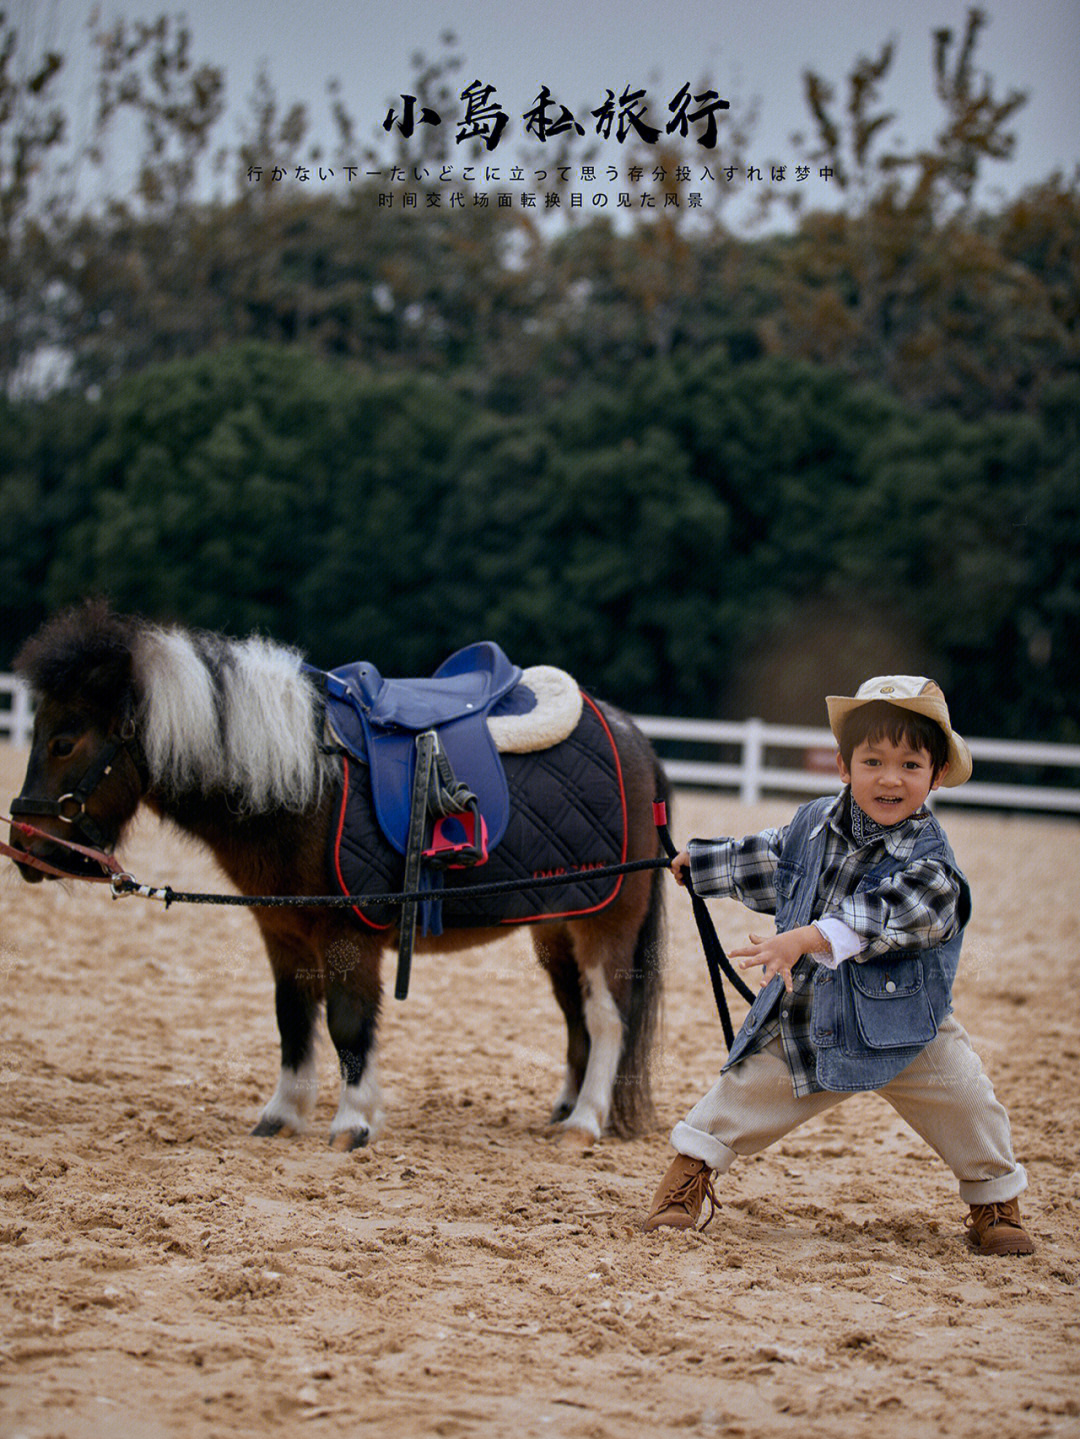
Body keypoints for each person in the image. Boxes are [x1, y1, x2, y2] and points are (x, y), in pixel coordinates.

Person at [644, 676, 1034, 1256]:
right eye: (873, 760)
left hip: (906, 1028)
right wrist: (699, 863)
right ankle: (687, 1179)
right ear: (845, 766)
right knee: (739, 1095)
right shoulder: (812, 824)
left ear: (938, 775)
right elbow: (769, 858)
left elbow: (894, 913)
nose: (890, 778)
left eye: (909, 764)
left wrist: (804, 937)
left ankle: (994, 1201)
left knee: (969, 1102)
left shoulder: (933, 861)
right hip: (811, 1017)